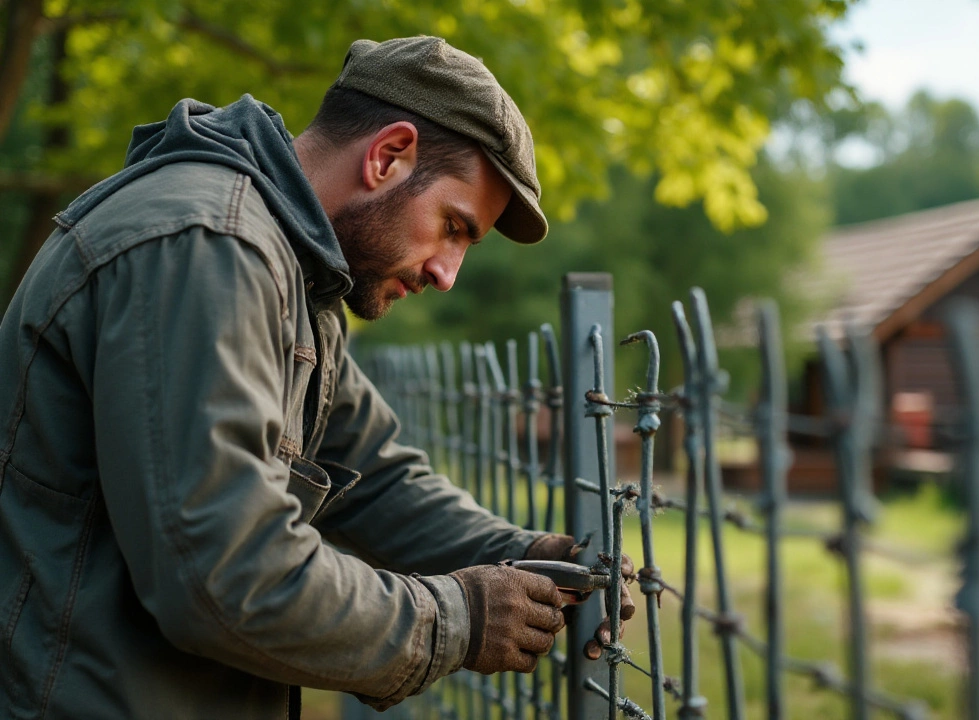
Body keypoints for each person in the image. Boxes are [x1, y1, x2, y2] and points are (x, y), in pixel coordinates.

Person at [0, 36, 632, 719]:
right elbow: (221, 576)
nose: (447, 275)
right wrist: (458, 618)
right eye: (453, 227)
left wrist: (529, 558)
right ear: (389, 156)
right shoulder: (206, 247)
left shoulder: (296, 278)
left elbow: (376, 477)